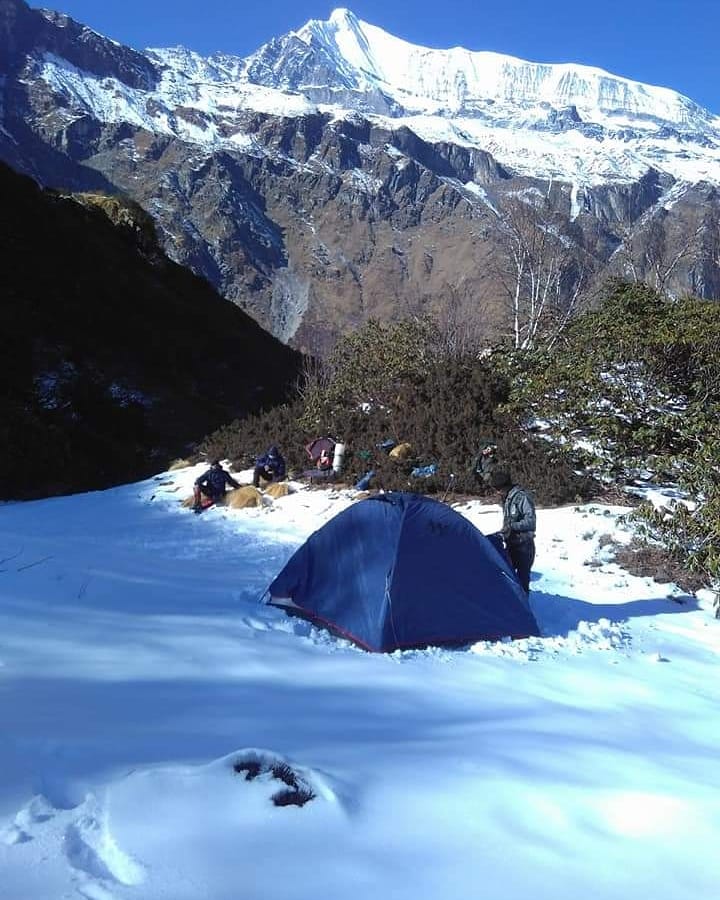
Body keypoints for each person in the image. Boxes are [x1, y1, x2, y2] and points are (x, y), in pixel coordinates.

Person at [491, 469, 536, 595]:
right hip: (511, 543)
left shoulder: (522, 498)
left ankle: (524, 607)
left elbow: (531, 521)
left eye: (498, 489)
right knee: (509, 576)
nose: (497, 492)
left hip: (524, 545)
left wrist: (513, 526)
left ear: (505, 486)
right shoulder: (507, 499)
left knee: (522, 579)